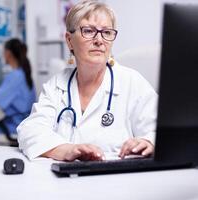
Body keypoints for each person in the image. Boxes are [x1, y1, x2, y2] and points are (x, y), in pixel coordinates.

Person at [17, 0, 157, 161]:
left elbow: (162, 131)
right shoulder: (57, 85)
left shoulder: (132, 83)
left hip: (117, 180)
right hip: (63, 181)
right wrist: (66, 150)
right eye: (89, 31)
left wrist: (148, 142)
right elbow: (30, 130)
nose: (99, 40)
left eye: (106, 32)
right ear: (69, 40)